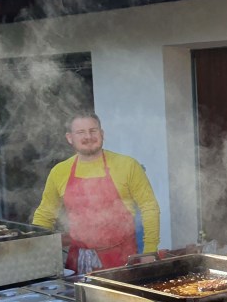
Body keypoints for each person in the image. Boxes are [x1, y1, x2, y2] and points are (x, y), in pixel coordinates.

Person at [33, 113, 160, 274]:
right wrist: (37, 250)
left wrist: (149, 250)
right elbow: (45, 214)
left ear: (102, 134)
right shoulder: (59, 172)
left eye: (93, 130)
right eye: (81, 132)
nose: (88, 136)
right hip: (79, 262)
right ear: (70, 138)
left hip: (123, 260)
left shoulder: (127, 165)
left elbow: (149, 208)